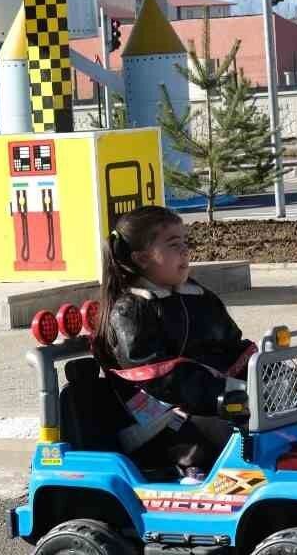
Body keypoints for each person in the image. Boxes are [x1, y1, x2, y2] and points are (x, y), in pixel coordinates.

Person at [93, 205, 256, 483]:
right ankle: (189, 472)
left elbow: (232, 348)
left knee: (282, 418)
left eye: (185, 242)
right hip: (155, 422)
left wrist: (261, 376)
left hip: (204, 404)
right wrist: (226, 392)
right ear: (142, 258)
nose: (184, 251)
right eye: (173, 244)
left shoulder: (199, 297)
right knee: (244, 435)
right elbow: (158, 378)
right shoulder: (130, 309)